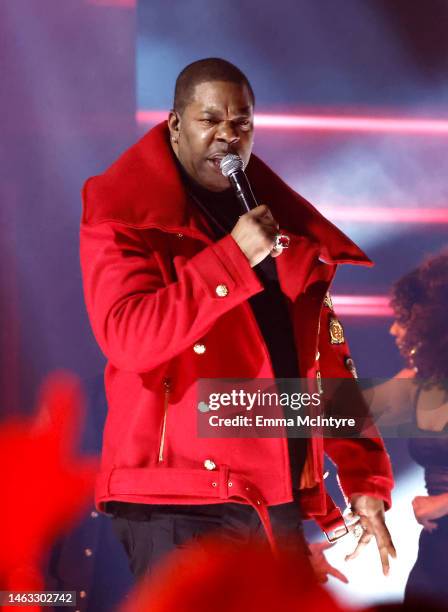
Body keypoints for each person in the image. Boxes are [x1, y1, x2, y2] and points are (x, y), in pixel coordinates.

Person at [79, 58, 395, 581]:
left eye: (241, 123)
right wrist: (231, 258)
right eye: (210, 121)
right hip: (177, 500)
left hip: (274, 497)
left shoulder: (281, 225)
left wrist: (363, 476)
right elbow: (130, 338)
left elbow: (318, 360)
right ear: (176, 124)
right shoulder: (122, 210)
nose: (228, 138)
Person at [364, 251, 448, 606]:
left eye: (402, 319)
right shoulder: (417, 383)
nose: (393, 330)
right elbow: (326, 419)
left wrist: (444, 503)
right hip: (438, 553)